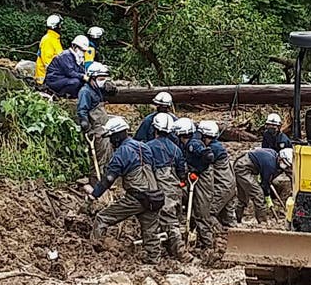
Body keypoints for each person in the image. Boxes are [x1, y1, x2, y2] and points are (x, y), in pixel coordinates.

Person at [86, 117, 163, 265]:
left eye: (110, 138)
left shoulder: (121, 153)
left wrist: (93, 195)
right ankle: (155, 262)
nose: (110, 142)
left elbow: (108, 180)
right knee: (150, 233)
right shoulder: (144, 147)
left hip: (136, 198)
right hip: (154, 197)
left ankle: (92, 255)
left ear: (116, 136)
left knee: (102, 218)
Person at [147, 113, 191, 261]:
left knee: (167, 221)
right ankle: (171, 248)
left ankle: (181, 253)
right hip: (174, 188)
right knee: (174, 218)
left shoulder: (148, 147)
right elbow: (182, 172)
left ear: (155, 129)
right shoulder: (176, 149)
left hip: (157, 187)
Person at [174, 117, 215, 250]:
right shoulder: (185, 144)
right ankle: (193, 233)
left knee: (202, 210)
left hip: (203, 177)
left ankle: (208, 245)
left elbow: (209, 156)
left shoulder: (194, 144)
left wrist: (197, 171)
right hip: (193, 176)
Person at [235, 147, 293, 224]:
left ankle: (235, 219)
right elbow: (264, 184)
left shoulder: (273, 155)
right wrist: (268, 197)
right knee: (258, 194)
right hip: (243, 169)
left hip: (242, 164)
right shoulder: (270, 164)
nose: (286, 167)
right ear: (281, 159)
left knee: (242, 197)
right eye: (285, 164)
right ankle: (262, 222)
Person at [77, 62, 113, 186]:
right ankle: (95, 182)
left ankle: (105, 181)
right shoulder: (85, 92)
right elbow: (82, 111)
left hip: (104, 127)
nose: (103, 81)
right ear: (92, 78)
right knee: (98, 157)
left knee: (107, 154)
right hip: (96, 129)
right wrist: (87, 127)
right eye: (101, 79)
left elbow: (113, 92)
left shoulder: (98, 89)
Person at [198, 120, 237, 230]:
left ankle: (220, 238)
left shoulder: (212, 149)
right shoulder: (218, 146)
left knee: (208, 213)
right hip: (230, 186)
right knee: (228, 219)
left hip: (221, 187)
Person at [35, 14, 64, 85]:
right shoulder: (48, 40)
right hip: (44, 79)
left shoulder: (54, 38)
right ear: (55, 26)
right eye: (60, 25)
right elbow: (47, 62)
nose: (61, 27)